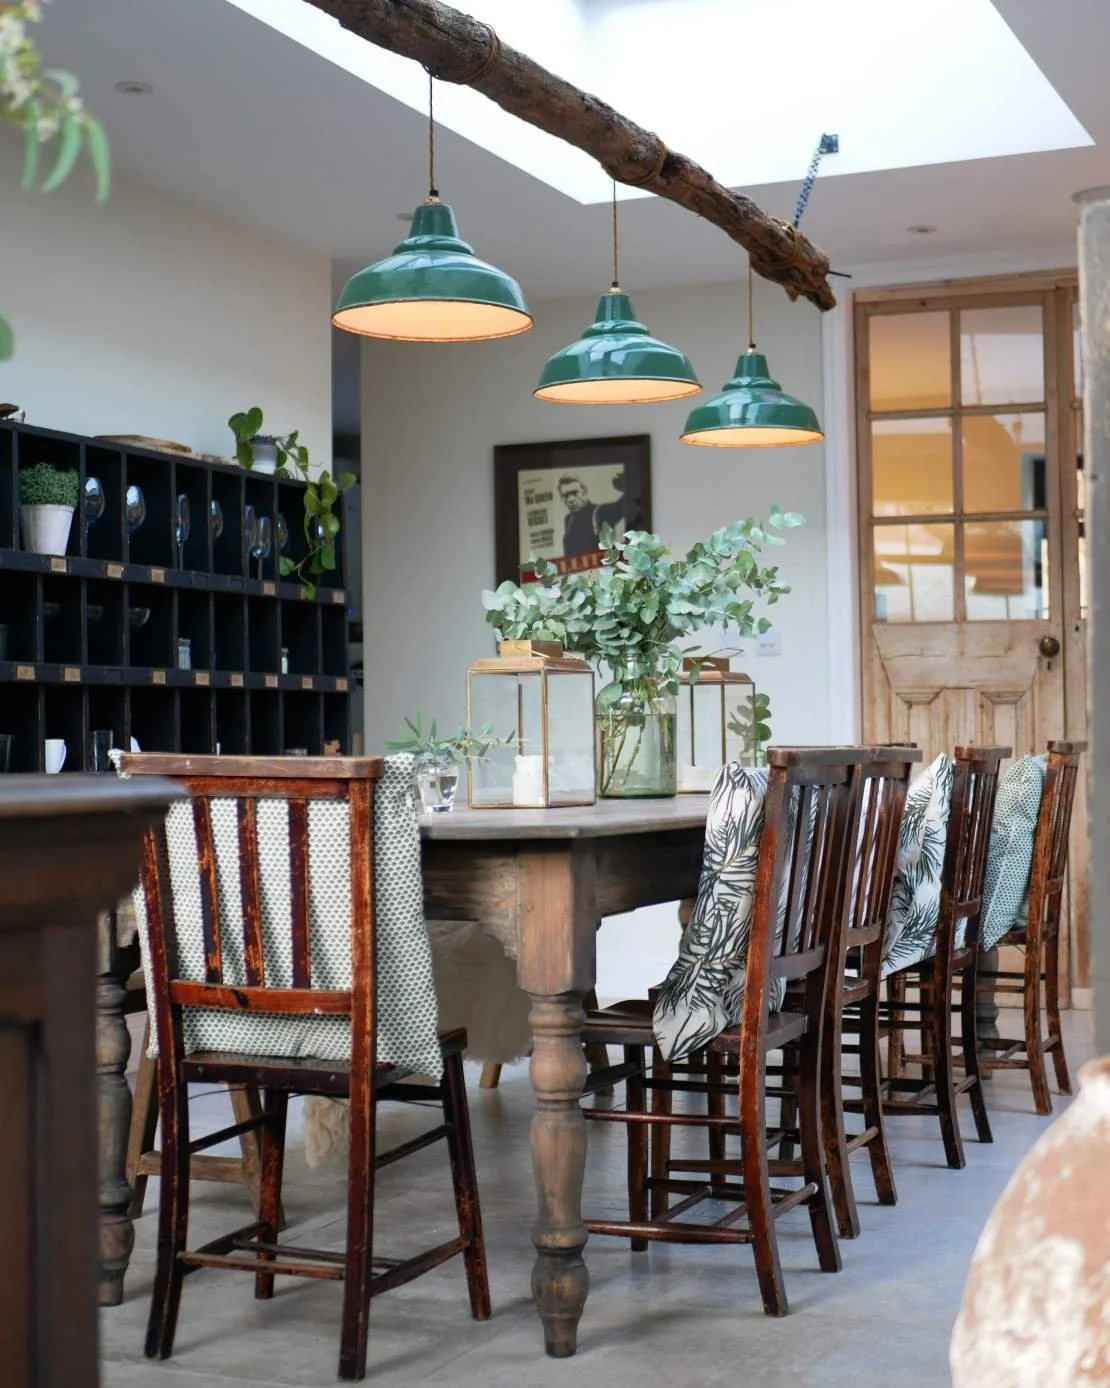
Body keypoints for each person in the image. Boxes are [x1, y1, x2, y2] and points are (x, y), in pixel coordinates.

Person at [558, 475, 600, 557]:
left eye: (574, 493)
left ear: (584, 491)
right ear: (562, 498)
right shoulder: (569, 519)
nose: (571, 499)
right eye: (565, 495)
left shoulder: (599, 512)